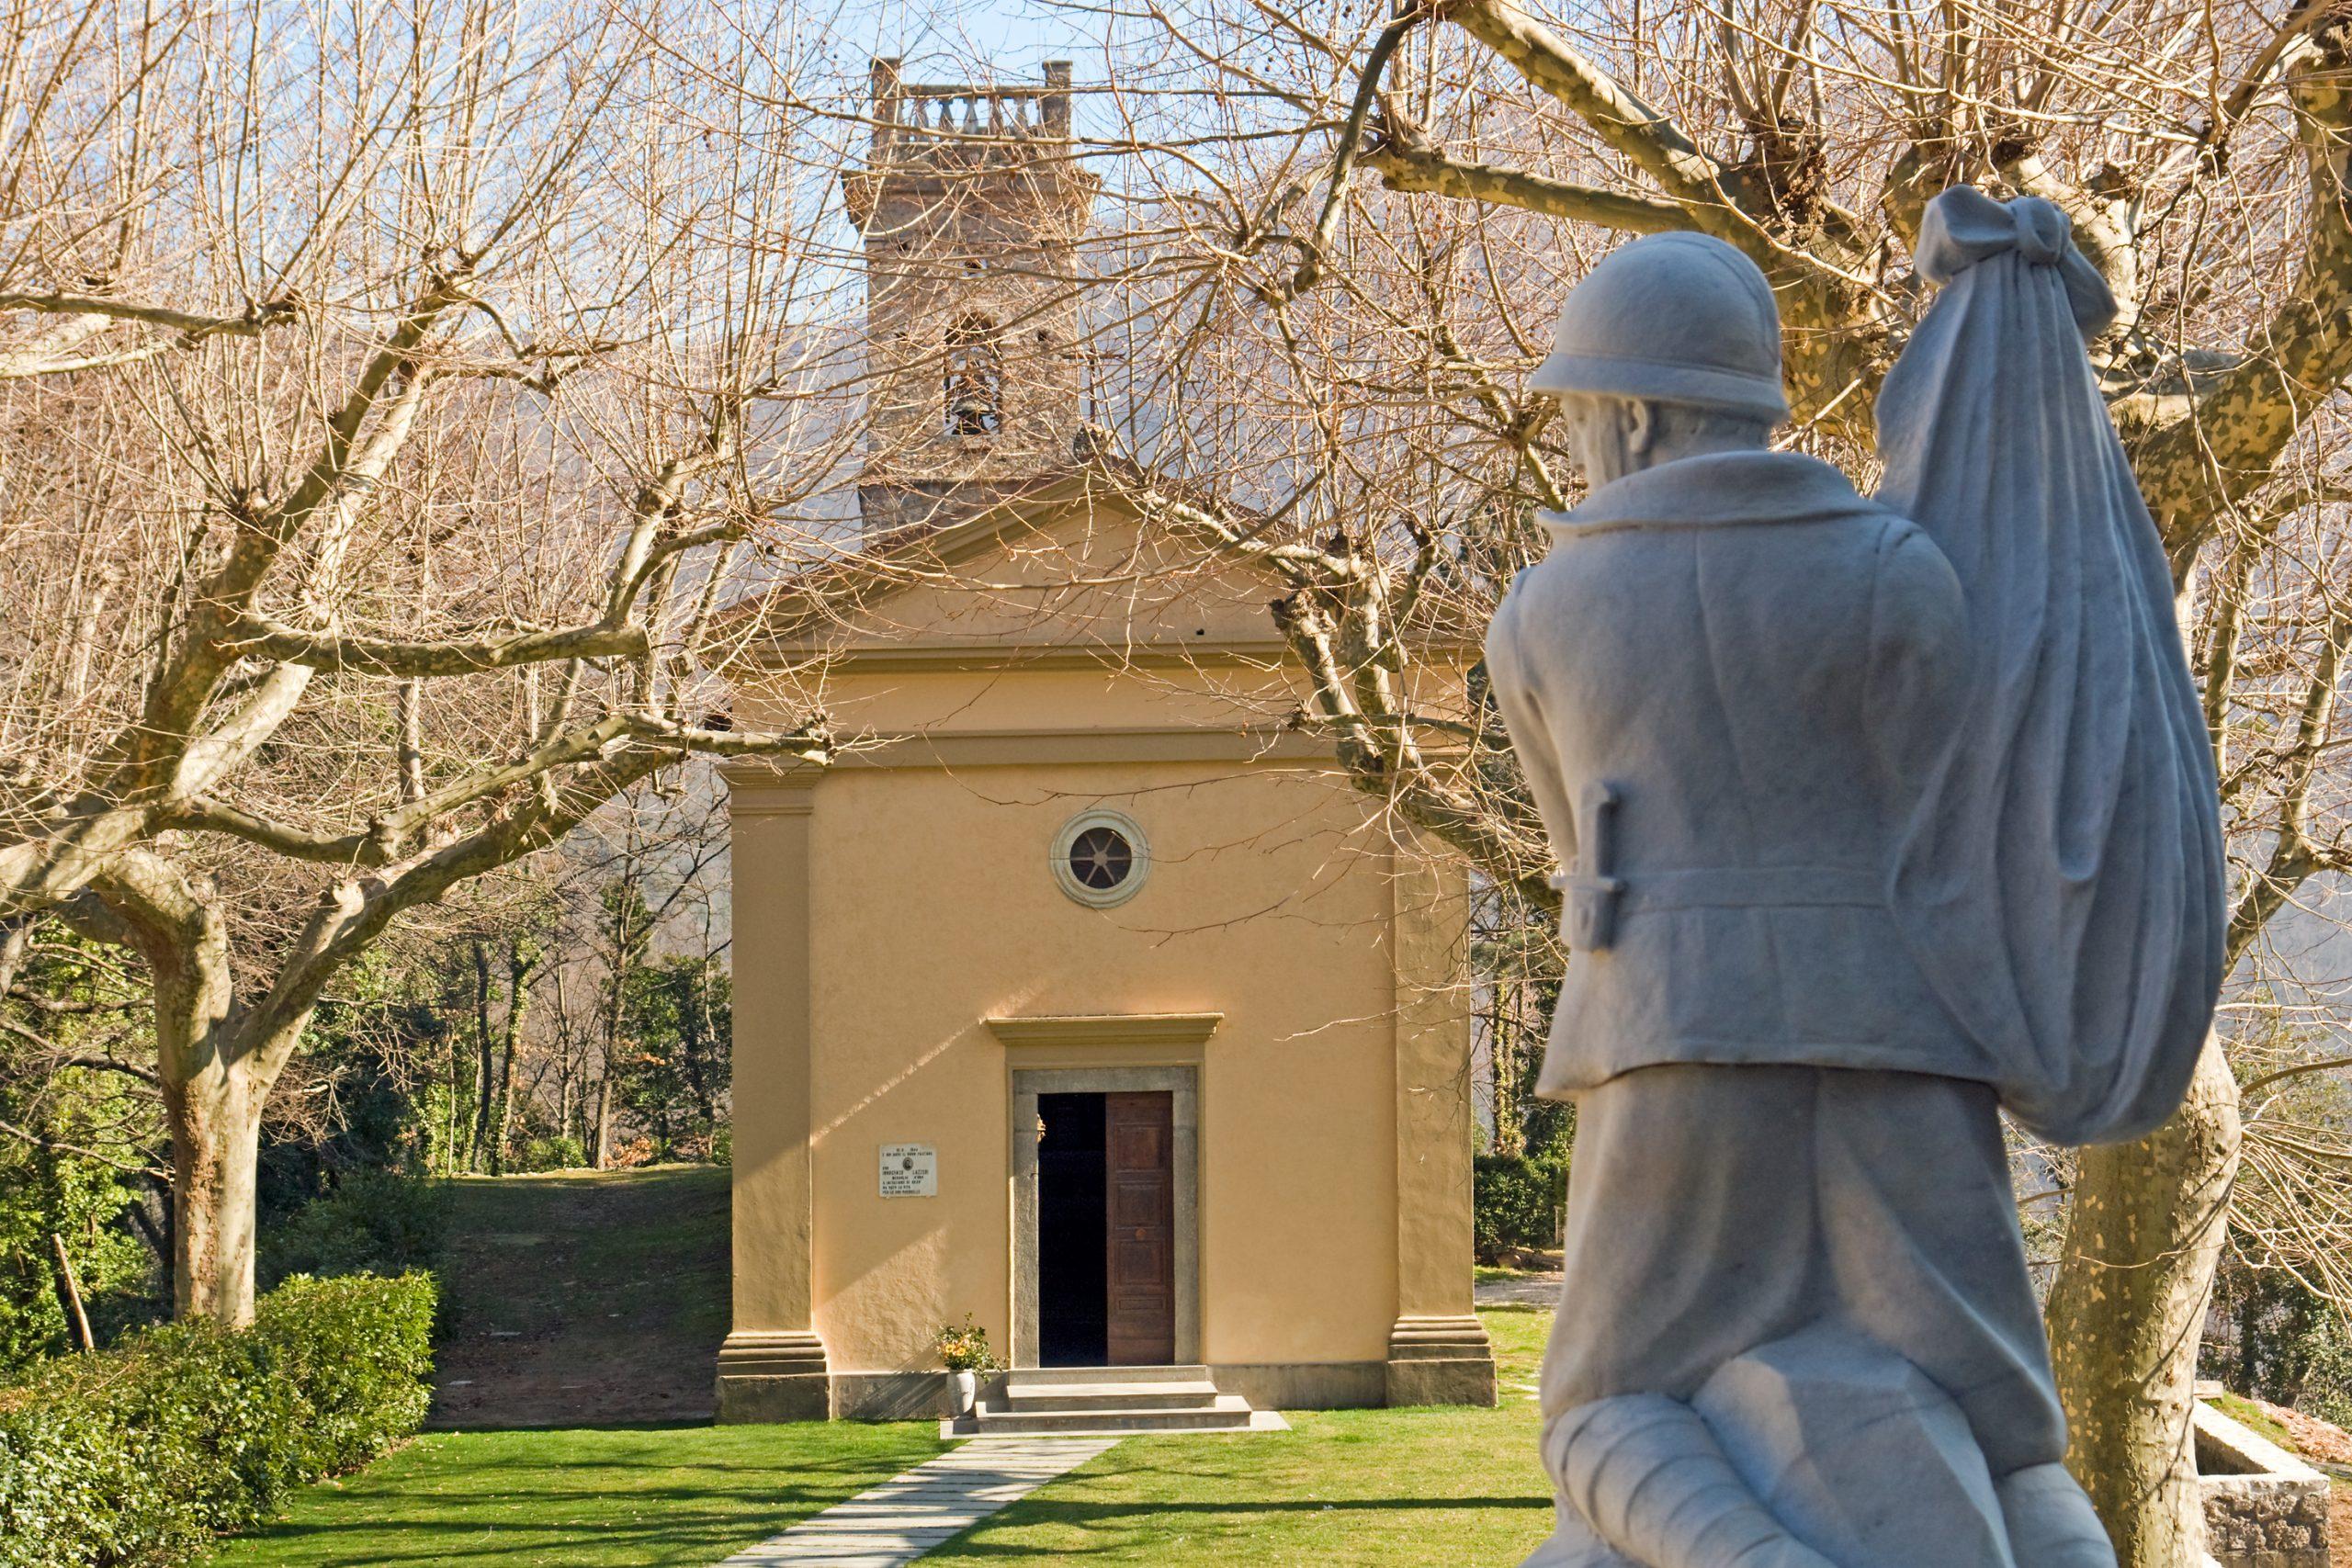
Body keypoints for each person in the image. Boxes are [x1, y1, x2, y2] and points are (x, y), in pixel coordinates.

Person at [1485, 230, 2116, 1566]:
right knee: (2008, 1432)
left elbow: (1578, 859)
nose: (1583, 444)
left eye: (1586, 414)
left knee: (1605, 1400)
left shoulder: (1542, 615)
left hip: (1665, 1037)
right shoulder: (1903, 574)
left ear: (1637, 413)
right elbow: (1960, 820)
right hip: (1907, 1039)